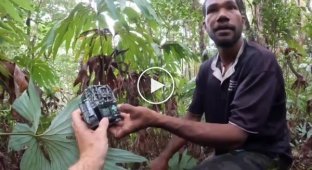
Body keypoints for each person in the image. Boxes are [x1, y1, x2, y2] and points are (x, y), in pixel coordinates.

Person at [72, 0, 293, 169]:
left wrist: (156, 119)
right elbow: (192, 117)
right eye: (213, 10)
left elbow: (237, 135)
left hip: (266, 154)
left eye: (230, 8)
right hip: (228, 154)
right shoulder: (207, 69)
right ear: (205, 25)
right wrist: (163, 157)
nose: (222, 15)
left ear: (242, 20)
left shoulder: (260, 61)